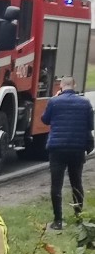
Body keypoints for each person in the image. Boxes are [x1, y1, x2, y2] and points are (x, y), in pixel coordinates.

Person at [40, 76, 93, 230]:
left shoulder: (54, 102)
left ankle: (57, 221)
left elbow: (45, 120)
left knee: (56, 185)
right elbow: (90, 125)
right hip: (77, 149)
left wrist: (54, 99)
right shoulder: (85, 103)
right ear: (74, 85)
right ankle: (79, 218)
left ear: (61, 86)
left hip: (57, 148)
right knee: (76, 183)